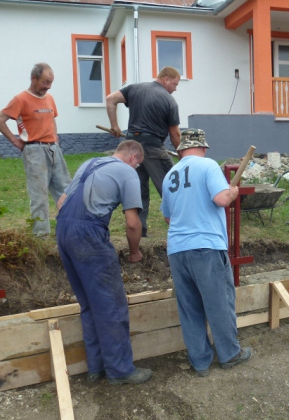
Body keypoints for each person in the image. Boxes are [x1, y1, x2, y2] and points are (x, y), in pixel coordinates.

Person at [55, 140, 152, 385]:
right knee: (111, 305)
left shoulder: (89, 163)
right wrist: (134, 252)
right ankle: (120, 371)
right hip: (89, 236)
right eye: (138, 164)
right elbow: (132, 222)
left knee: (89, 304)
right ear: (133, 158)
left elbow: (60, 202)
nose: (137, 168)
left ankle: (96, 368)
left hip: (64, 232)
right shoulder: (128, 172)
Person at [160, 128, 252, 377]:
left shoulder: (170, 175)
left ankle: (200, 362)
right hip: (206, 247)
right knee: (219, 303)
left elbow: (168, 217)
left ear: (180, 150)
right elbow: (222, 199)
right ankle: (230, 354)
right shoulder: (208, 165)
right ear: (203, 147)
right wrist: (232, 192)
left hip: (177, 250)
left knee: (189, 308)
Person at [0, 62, 71, 237]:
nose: (48, 87)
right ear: (33, 78)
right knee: (39, 196)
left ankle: (69, 230)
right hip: (35, 152)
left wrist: (55, 140)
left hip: (54, 150)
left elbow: (52, 120)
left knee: (67, 191)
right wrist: (15, 140)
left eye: (50, 83)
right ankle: (41, 236)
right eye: (45, 82)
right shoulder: (20, 99)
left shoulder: (50, 98)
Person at [105, 66, 182, 237]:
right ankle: (182, 227)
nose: (175, 89)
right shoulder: (168, 101)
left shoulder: (134, 88)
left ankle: (140, 231)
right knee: (172, 187)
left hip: (132, 149)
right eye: (175, 84)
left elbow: (110, 99)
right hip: (153, 148)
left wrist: (114, 125)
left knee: (137, 191)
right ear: (166, 79)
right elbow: (175, 133)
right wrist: (183, 157)